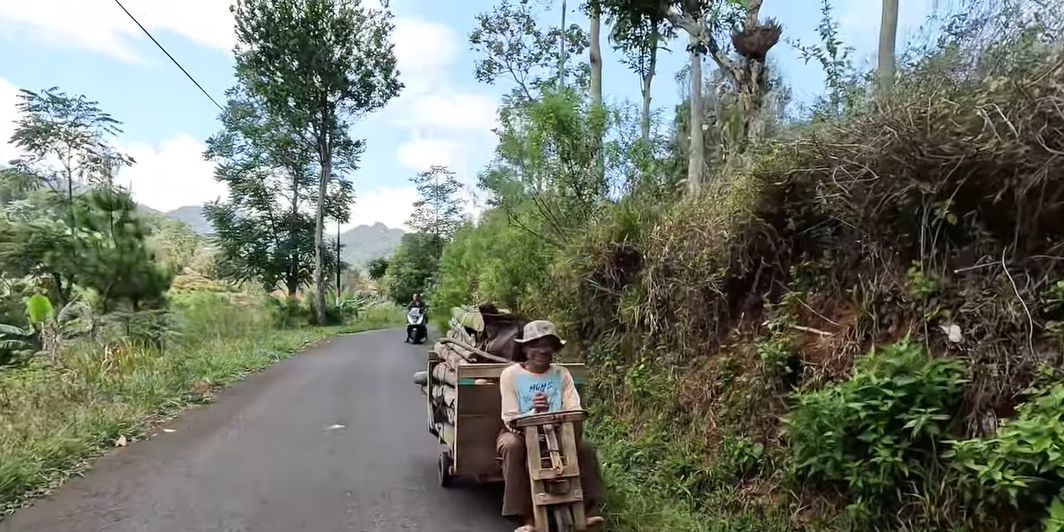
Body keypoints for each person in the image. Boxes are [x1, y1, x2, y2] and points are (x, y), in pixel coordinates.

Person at [497, 320, 606, 532]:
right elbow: (509, 416)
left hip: (558, 431)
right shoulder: (510, 375)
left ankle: (584, 512)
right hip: (518, 432)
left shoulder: (561, 374)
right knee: (511, 447)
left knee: (586, 448)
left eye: (548, 345)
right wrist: (533, 412)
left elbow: (573, 406)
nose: (543, 350)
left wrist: (557, 417)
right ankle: (527, 519)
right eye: (536, 344)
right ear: (526, 348)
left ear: (554, 349)